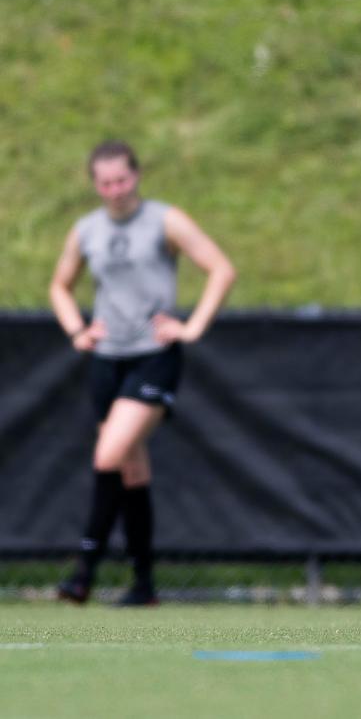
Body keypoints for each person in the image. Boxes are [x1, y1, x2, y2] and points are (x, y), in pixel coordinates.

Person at [50, 141, 236, 605]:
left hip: (153, 356)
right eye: (105, 182)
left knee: (109, 454)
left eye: (122, 179)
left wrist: (191, 326)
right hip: (106, 359)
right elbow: (60, 285)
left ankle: (83, 573)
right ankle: (144, 584)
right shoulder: (86, 230)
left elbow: (220, 269)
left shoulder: (164, 220)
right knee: (131, 468)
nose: (115, 189)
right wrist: (77, 329)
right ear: (95, 184)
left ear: (136, 176)